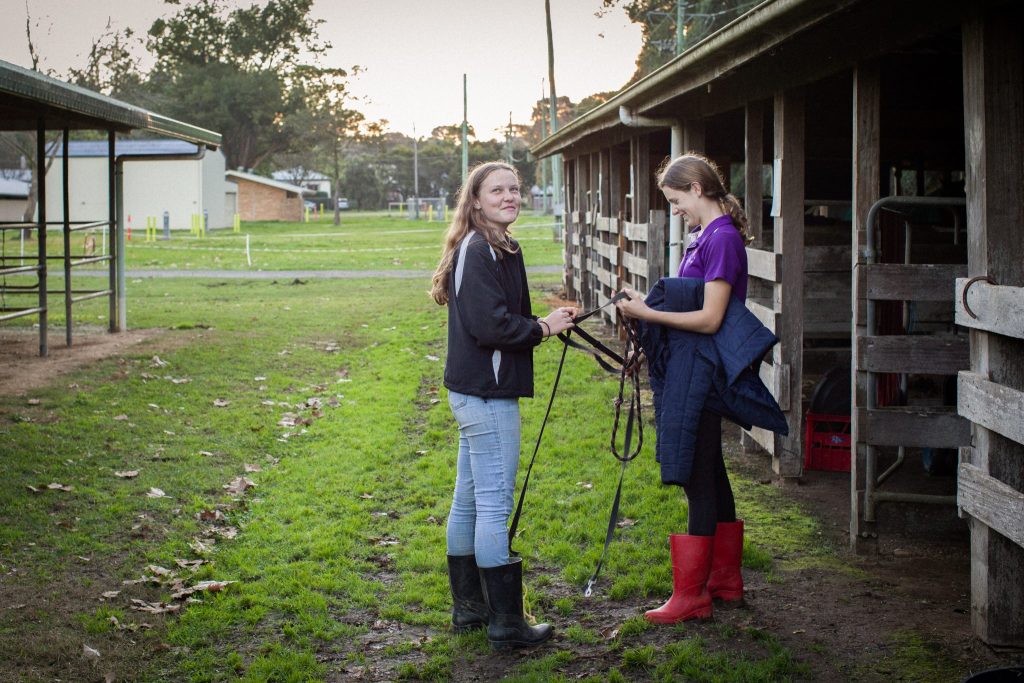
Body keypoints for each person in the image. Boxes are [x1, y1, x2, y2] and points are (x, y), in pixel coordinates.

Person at [430, 161, 576, 649]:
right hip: (485, 395)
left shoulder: (500, 246)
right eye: (498, 190)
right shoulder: (478, 249)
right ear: (475, 201)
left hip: (477, 391)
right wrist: (544, 327)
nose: (509, 196)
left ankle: (470, 610)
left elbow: (502, 314)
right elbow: (490, 325)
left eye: (515, 188)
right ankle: (507, 625)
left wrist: (544, 320)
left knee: (470, 500)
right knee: (492, 504)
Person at [615, 152, 753, 624]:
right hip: (692, 364)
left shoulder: (723, 241)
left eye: (676, 201)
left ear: (697, 187)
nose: (675, 211)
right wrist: (646, 340)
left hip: (704, 370)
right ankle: (724, 581)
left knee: (697, 473)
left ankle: (692, 595)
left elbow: (711, 317)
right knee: (711, 470)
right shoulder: (704, 238)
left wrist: (646, 315)